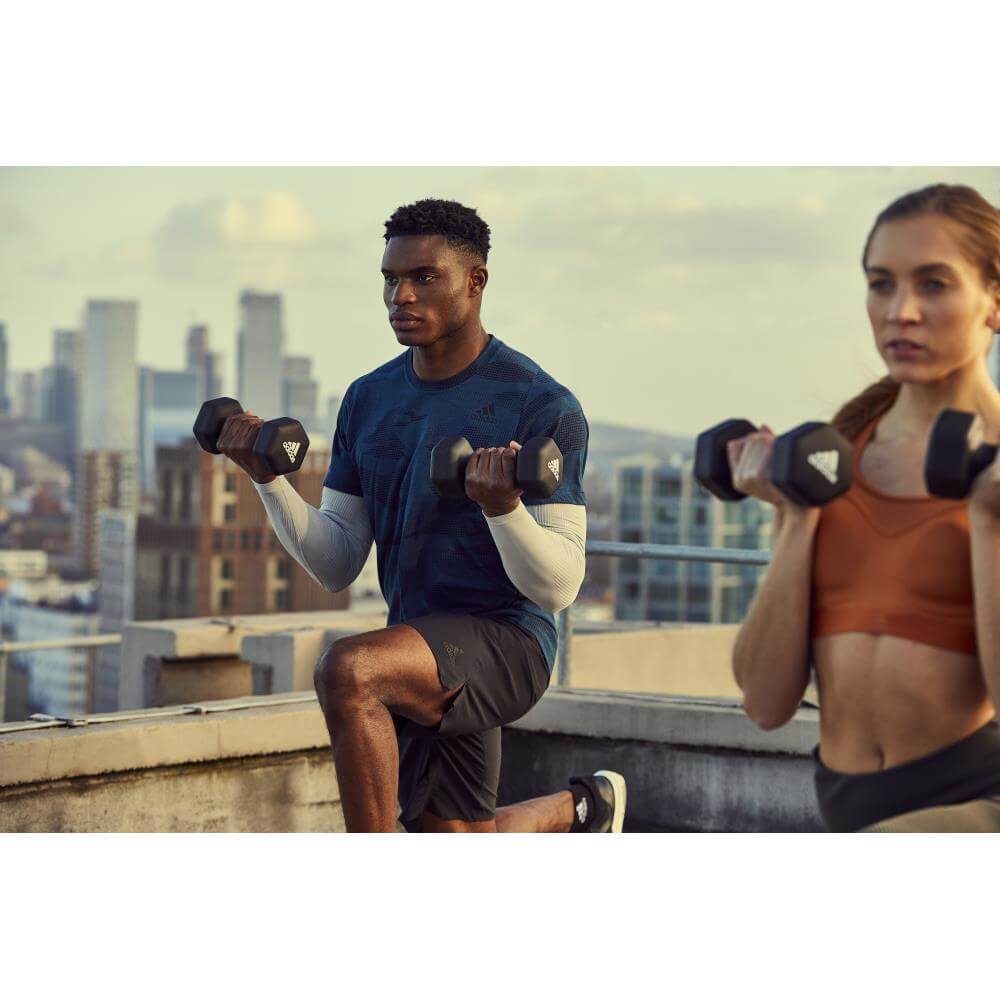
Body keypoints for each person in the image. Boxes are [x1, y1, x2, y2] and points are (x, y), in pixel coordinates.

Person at [217, 197, 626, 832]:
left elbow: (560, 586)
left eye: (423, 277)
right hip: (414, 644)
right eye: (390, 279)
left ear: (476, 280)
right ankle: (586, 807)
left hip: (507, 640)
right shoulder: (368, 398)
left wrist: (504, 508)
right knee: (453, 836)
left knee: (349, 671)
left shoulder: (542, 404)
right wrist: (267, 479)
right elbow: (336, 561)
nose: (399, 296)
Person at [730, 184, 1000, 832]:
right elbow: (766, 704)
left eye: (933, 284)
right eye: (882, 285)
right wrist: (797, 517)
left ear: (993, 300)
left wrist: (988, 522)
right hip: (848, 803)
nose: (901, 311)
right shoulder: (829, 459)